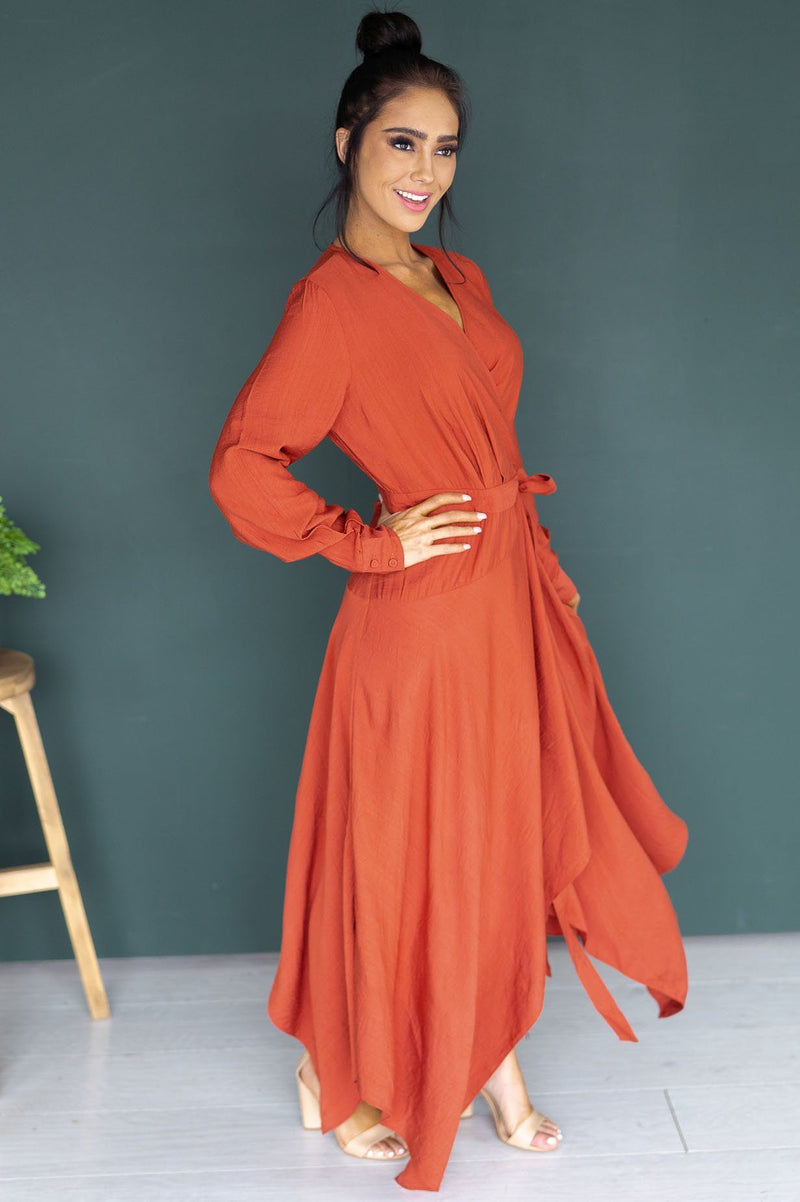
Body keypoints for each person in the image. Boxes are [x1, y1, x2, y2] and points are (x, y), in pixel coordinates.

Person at [209, 9, 689, 1193]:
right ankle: (354, 1070)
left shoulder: (455, 276)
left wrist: (535, 564)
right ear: (346, 145)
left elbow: (489, 446)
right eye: (400, 143)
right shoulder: (328, 302)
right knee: (414, 847)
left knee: (491, 838)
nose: (424, 170)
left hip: (500, 602)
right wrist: (370, 542)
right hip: (417, 622)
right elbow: (242, 464)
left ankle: (476, 1058)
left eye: (444, 148)